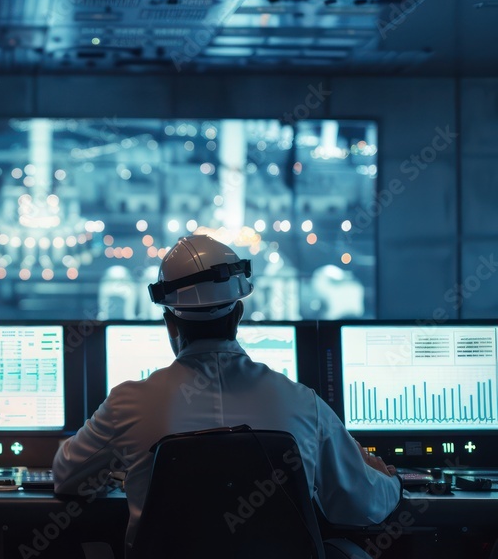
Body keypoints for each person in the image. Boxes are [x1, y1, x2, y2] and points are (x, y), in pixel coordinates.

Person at [53, 234, 400, 555]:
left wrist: (118, 469)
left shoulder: (127, 404)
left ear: (171, 324)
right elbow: (362, 507)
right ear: (238, 313)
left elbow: (67, 478)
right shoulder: (303, 404)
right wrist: (389, 479)